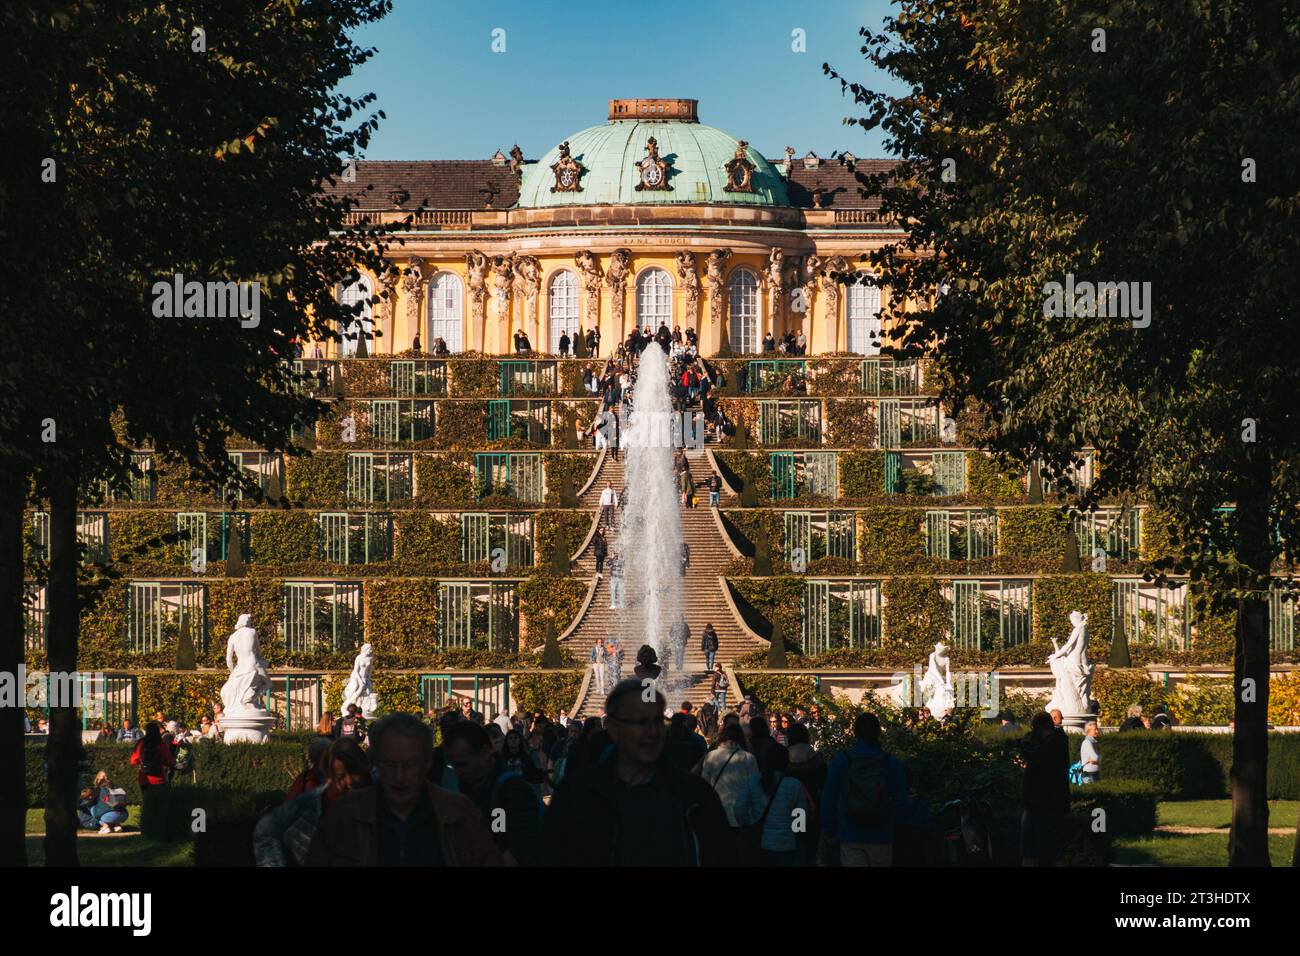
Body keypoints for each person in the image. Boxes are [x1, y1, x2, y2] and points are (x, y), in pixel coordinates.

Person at [540, 678, 735, 866]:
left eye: (658, 721)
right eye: (640, 722)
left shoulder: (695, 795)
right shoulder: (578, 792)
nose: (652, 731)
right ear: (614, 729)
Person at [306, 713, 504, 866]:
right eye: (390, 765)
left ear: (427, 763)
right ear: (376, 764)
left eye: (409, 765)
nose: (399, 777)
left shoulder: (460, 813)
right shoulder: (344, 815)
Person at [442, 720, 545, 865]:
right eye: (453, 765)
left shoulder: (511, 791)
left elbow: (517, 847)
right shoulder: (469, 785)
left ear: (485, 752)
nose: (458, 772)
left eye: (463, 764)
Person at [256, 738, 371, 866]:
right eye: (341, 776)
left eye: (354, 773)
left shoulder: (378, 802)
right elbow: (265, 831)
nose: (349, 781)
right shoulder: (313, 801)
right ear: (330, 776)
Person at [820, 712, 907, 867]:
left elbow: (829, 797)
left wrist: (829, 829)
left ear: (855, 732)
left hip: (850, 833)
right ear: (879, 732)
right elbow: (901, 801)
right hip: (882, 834)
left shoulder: (842, 760)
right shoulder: (891, 762)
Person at [735, 743, 806, 866]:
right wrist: (793, 835)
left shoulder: (753, 781)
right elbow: (800, 818)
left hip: (760, 843)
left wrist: (748, 824)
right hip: (787, 845)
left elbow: (739, 809)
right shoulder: (795, 785)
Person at [1020, 711, 1070, 866]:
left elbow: (1036, 757)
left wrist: (1023, 746)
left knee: (1044, 850)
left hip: (1045, 803)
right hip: (1043, 802)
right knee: (1044, 850)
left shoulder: (1052, 744)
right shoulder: (1056, 741)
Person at [699, 722, 758, 833]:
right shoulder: (749, 758)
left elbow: (704, 784)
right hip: (741, 815)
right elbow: (754, 788)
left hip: (717, 813)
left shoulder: (711, 756)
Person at [129, 721, 174, 791]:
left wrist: (141, 763)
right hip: (159, 778)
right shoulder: (160, 743)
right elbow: (169, 760)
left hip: (144, 778)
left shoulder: (141, 743)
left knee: (146, 800)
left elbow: (133, 760)